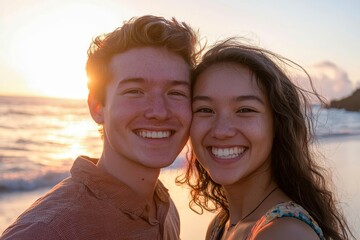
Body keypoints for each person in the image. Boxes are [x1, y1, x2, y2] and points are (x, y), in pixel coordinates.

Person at [1, 15, 200, 240]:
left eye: (176, 93)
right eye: (135, 91)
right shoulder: (47, 232)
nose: (159, 111)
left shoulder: (164, 207)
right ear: (97, 107)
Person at [178, 38, 354, 239]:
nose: (221, 131)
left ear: (278, 124)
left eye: (245, 110)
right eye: (205, 110)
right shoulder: (221, 225)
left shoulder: (285, 233)